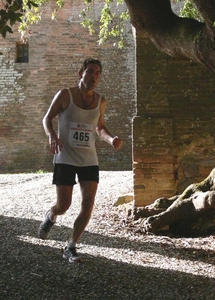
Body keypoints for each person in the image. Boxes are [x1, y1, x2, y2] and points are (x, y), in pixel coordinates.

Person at [38, 58, 123, 262]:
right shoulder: (65, 95)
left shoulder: (101, 101)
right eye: (90, 72)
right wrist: (52, 135)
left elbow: (99, 127)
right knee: (64, 205)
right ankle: (51, 215)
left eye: (97, 73)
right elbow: (47, 118)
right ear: (81, 73)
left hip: (88, 159)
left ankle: (71, 246)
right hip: (65, 157)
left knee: (88, 204)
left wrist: (112, 140)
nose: (94, 77)